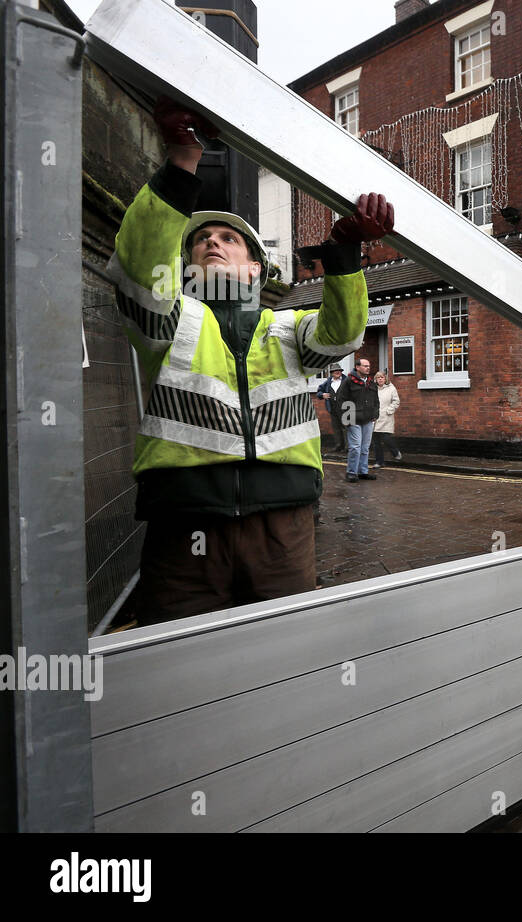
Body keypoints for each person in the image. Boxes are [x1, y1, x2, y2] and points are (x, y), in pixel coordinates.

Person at [108, 95, 395, 624]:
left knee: (284, 659)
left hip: (282, 529)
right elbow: (140, 266)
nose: (212, 244)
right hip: (185, 528)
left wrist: (345, 253)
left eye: (228, 238)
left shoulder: (287, 328)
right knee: (180, 671)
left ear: (258, 268)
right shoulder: (170, 324)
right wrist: (180, 160)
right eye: (200, 242)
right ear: (185, 265)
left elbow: (342, 333)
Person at [336, 357, 381, 482]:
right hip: (353, 420)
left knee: (365, 448)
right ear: (357, 367)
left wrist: (375, 414)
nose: (368, 368)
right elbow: (341, 401)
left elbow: (376, 401)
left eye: (368, 366)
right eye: (365, 366)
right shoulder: (348, 382)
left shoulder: (371, 383)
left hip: (368, 420)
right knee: (355, 447)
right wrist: (346, 419)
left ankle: (362, 472)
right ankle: (351, 472)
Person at [372, 370, 403, 468]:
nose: (380, 379)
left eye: (382, 377)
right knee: (376, 441)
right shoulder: (372, 389)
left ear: (385, 379)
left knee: (386, 438)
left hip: (386, 417)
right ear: (375, 379)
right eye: (378, 377)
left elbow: (396, 401)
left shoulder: (391, 388)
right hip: (375, 418)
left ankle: (395, 452)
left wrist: (389, 410)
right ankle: (379, 462)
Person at [315, 364, 347, 451]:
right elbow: (319, 392)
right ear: (332, 372)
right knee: (336, 428)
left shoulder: (347, 380)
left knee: (347, 428)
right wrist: (322, 394)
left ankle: (348, 448)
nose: (338, 372)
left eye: (339, 370)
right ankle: (339, 446)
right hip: (332, 408)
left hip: (346, 409)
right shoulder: (328, 382)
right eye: (335, 370)